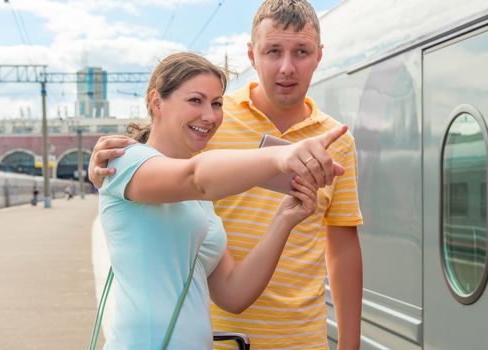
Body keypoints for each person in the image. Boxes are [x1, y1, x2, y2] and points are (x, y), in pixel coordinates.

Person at [89, 1, 363, 348]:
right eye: (195, 100)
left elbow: (233, 293)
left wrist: (284, 219)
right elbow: (195, 177)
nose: (209, 116)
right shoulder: (131, 159)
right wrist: (282, 156)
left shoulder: (204, 208)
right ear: (156, 102)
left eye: (216, 103)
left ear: (319, 55)